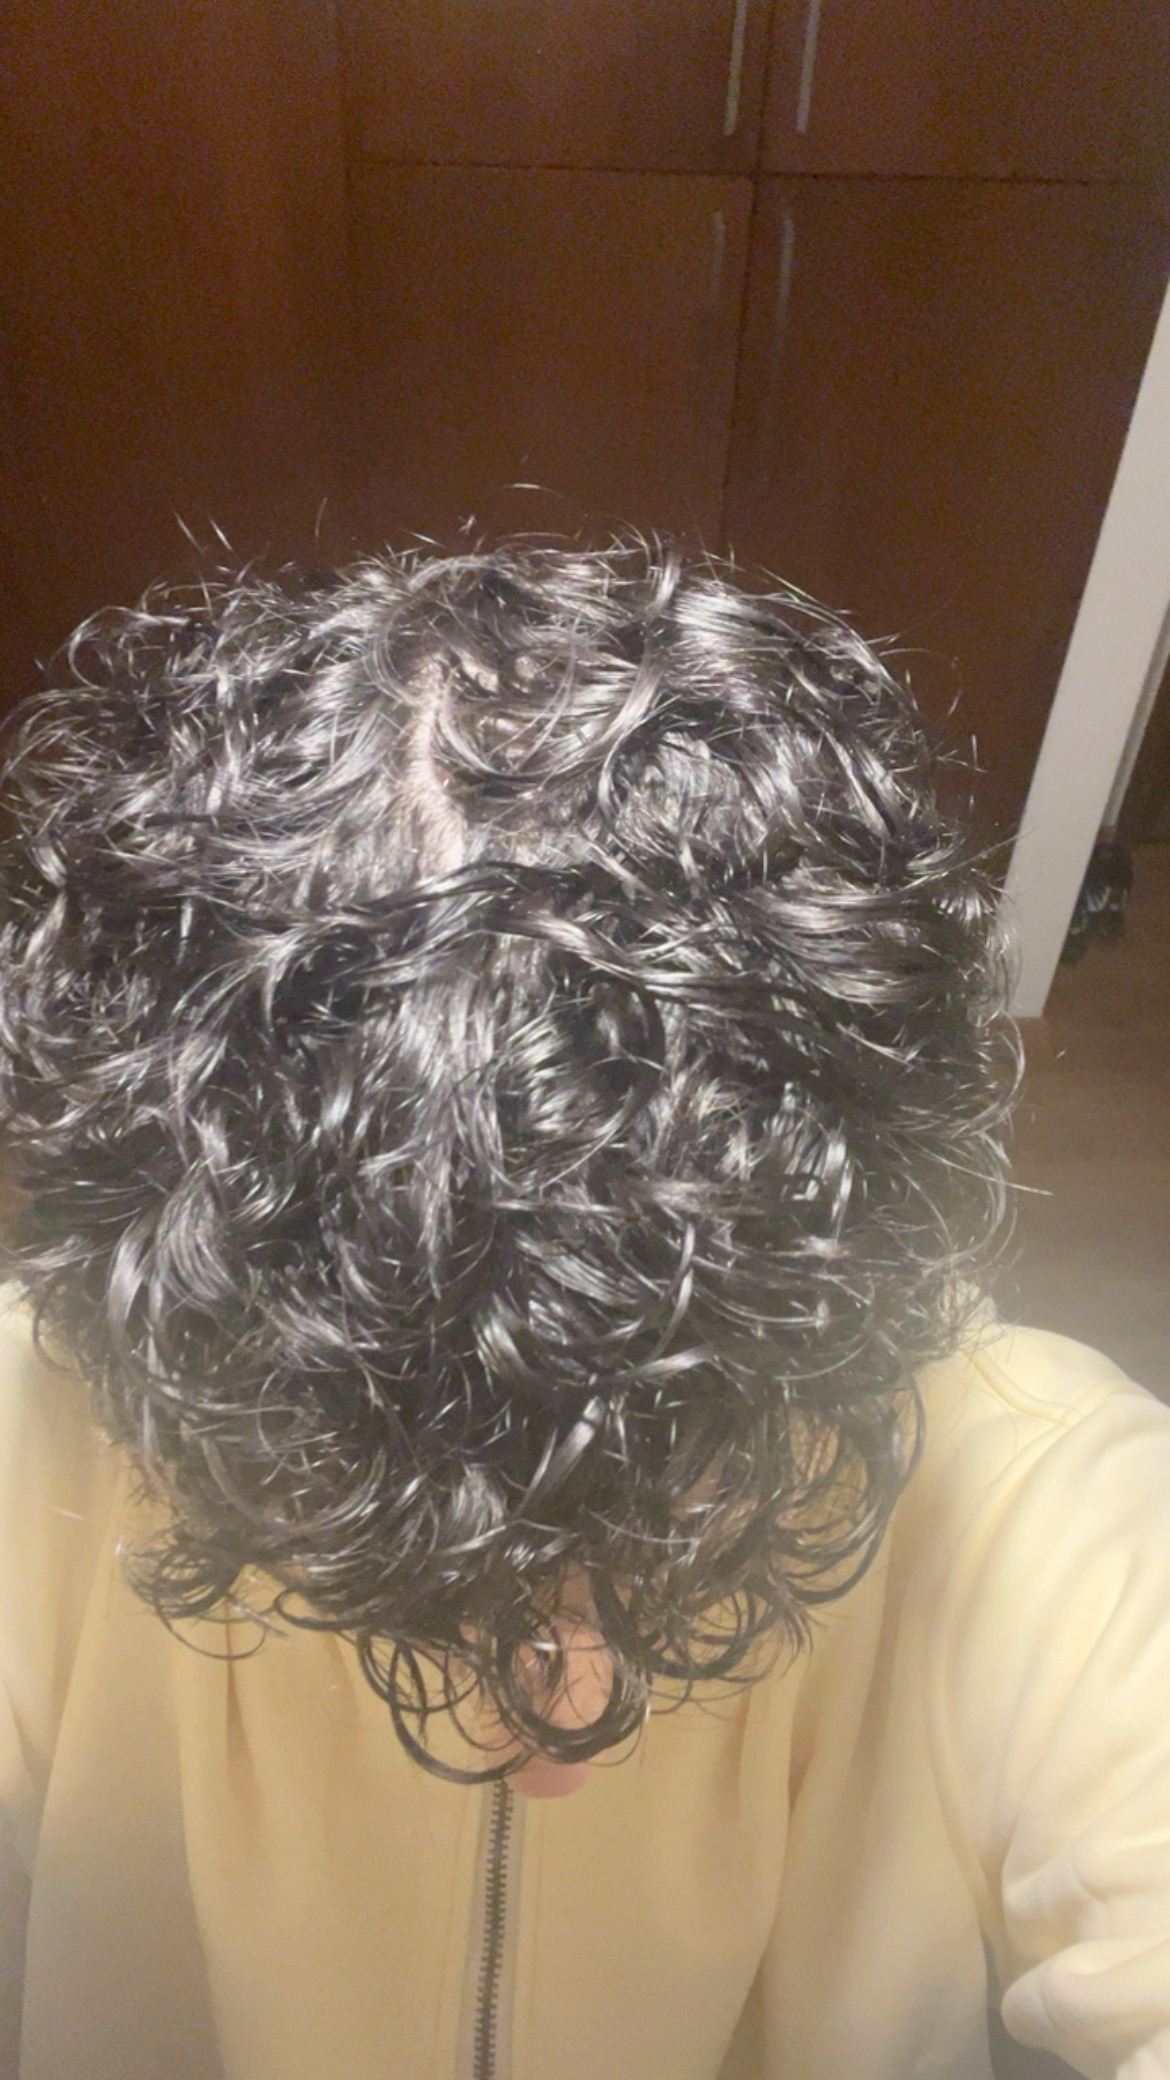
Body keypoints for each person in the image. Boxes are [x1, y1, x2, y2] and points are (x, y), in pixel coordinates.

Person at [0, 540, 1165, 2080]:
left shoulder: (1051, 1506)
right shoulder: (46, 1432)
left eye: (674, 1519)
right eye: (406, 1588)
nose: (559, 1736)